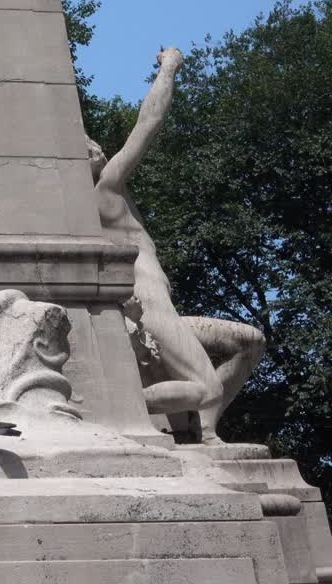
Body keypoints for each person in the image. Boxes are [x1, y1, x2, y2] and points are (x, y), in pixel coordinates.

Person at [90, 48, 265, 444]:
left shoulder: (108, 197)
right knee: (207, 388)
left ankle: (203, 430)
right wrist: (169, 69)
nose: (97, 148)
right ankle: (110, 408)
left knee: (250, 342)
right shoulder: (104, 191)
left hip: (162, 310)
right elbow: (147, 125)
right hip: (152, 310)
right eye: (87, 148)